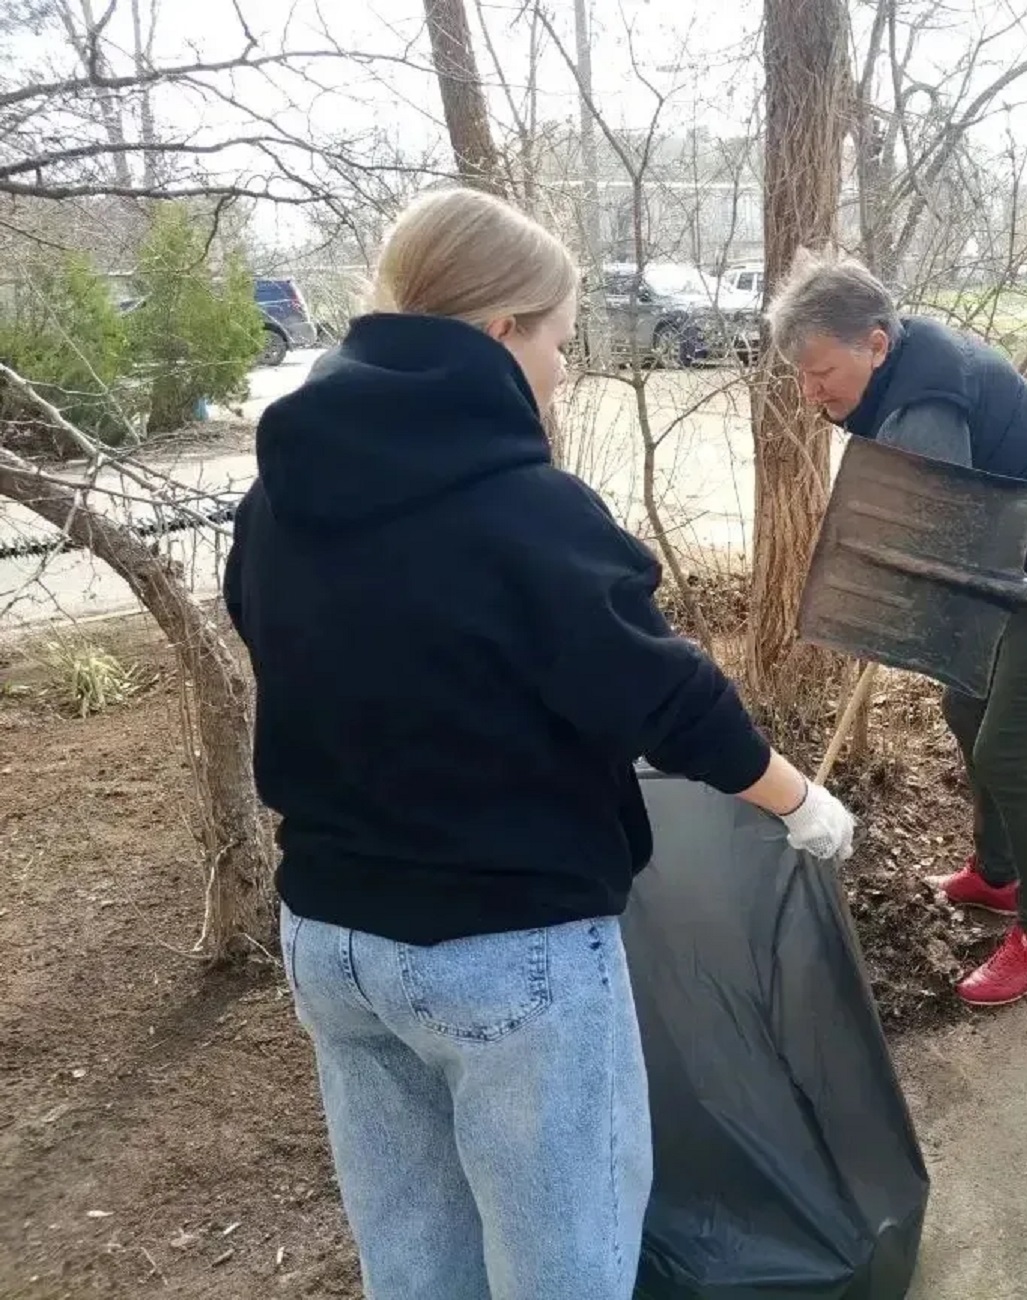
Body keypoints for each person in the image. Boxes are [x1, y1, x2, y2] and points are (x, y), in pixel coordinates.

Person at [222, 187, 856, 1299]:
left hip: (331, 939)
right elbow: (665, 696)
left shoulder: (280, 494)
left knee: (415, 1256)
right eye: (560, 340)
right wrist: (795, 798)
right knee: (560, 1266)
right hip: (501, 951)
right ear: (500, 330)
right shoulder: (525, 509)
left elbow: (288, 643)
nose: (564, 369)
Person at [765, 252, 1027, 1007]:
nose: (809, 393)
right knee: (964, 702)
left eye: (820, 372)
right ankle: (996, 877)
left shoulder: (926, 403)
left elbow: (928, 529)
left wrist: (872, 604)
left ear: (875, 342)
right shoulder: (895, 369)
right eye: (798, 376)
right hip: (1002, 561)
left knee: (1008, 748)